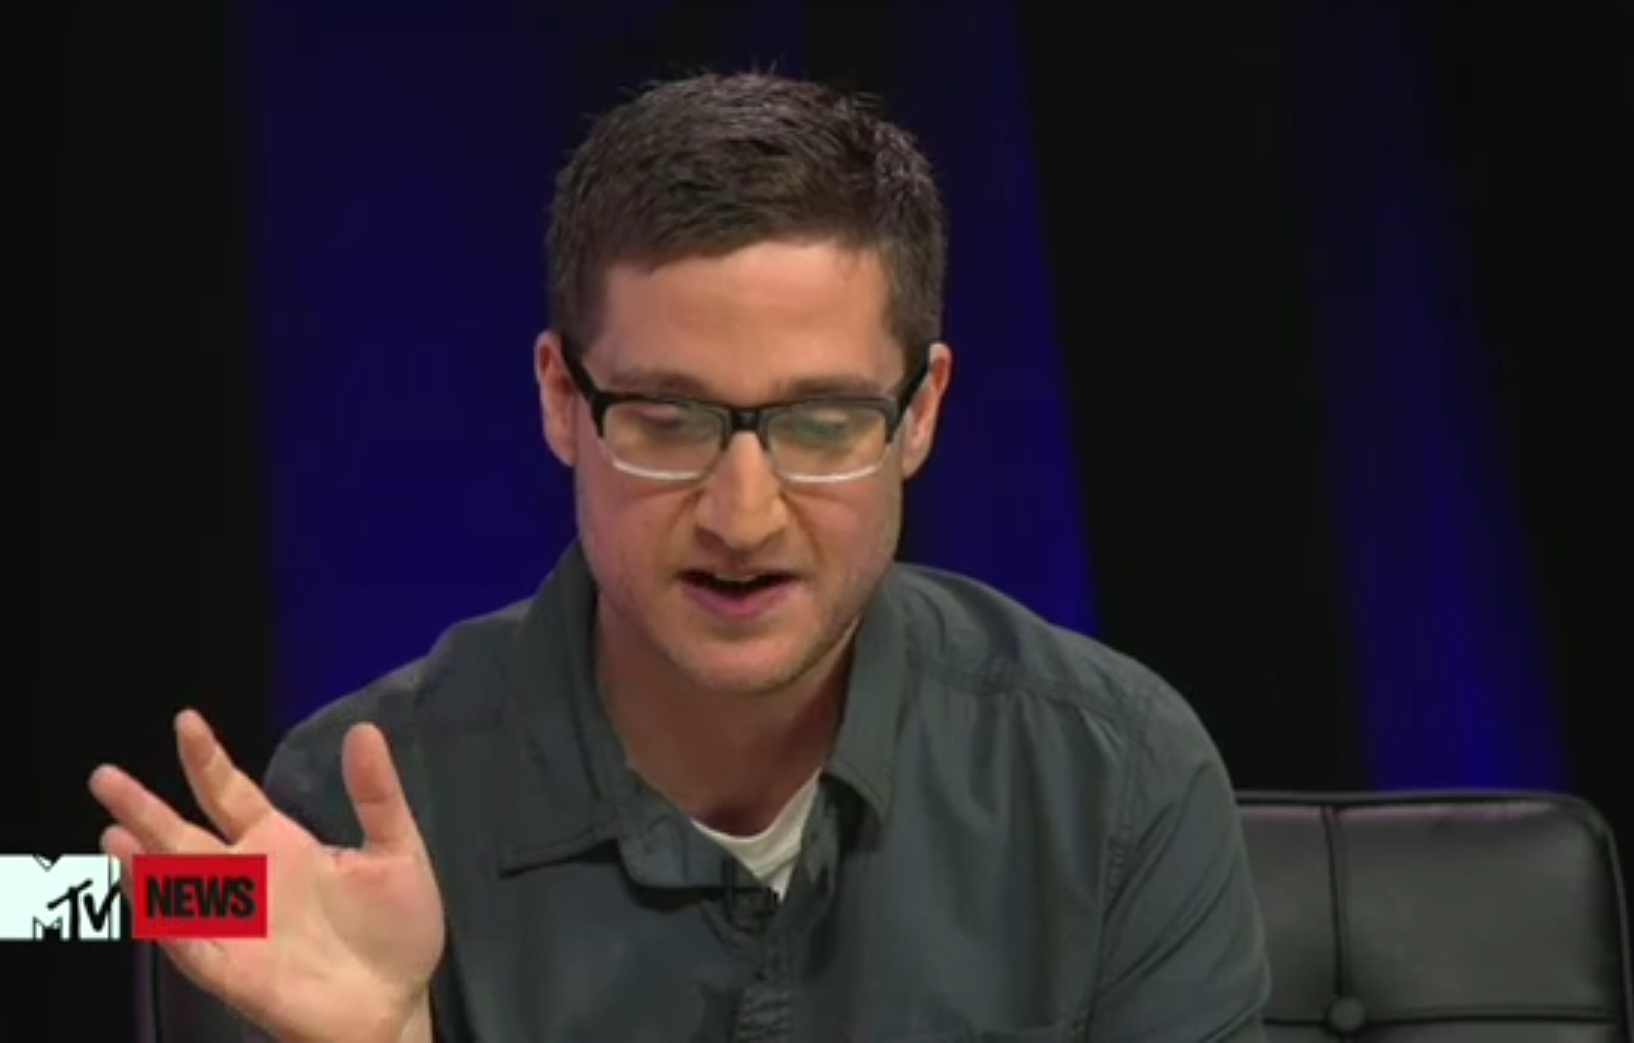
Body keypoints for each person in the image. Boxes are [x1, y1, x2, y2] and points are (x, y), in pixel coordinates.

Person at [89, 70, 1272, 1042]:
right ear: (562, 400)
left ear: (919, 415)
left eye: (821, 423)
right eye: (667, 419)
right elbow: (44, 903)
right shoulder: (344, 804)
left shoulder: (1121, 778)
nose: (742, 517)